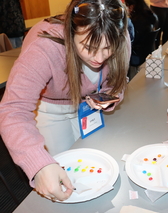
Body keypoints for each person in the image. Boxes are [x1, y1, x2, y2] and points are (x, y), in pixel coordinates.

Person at [0, 0, 130, 201]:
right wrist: (39, 164)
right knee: (62, 176)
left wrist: (110, 95)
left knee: (91, 165)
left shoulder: (119, 33)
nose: (99, 58)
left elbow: (118, 81)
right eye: (88, 46)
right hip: (51, 110)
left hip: (87, 107)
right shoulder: (44, 44)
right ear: (71, 31)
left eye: (108, 48)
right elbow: (13, 109)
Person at [125, 0, 158, 66]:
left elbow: (132, 41)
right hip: (147, 53)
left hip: (137, 56)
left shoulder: (137, 21)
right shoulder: (150, 15)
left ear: (131, 6)